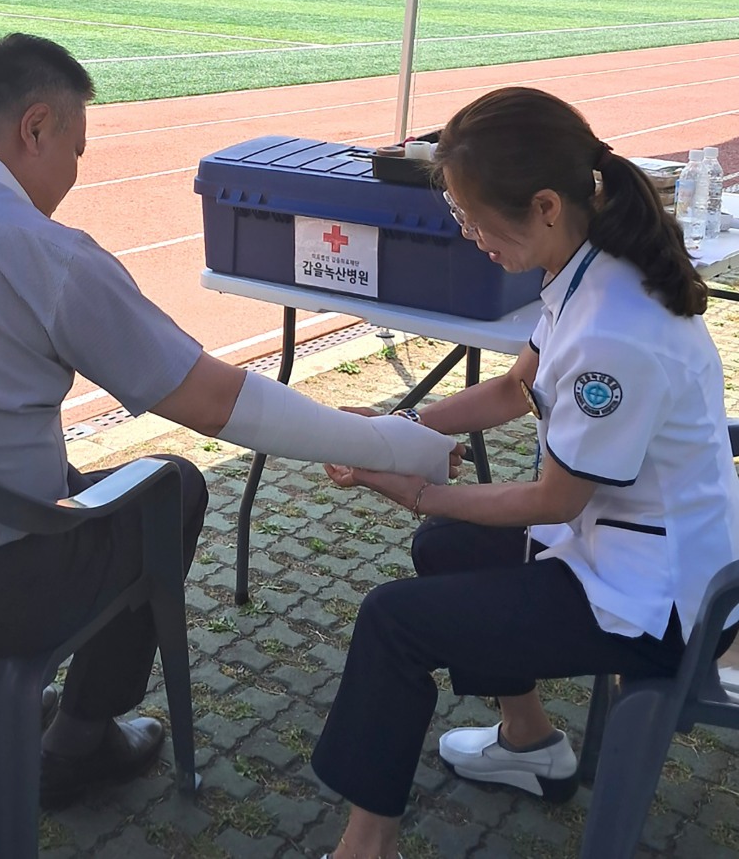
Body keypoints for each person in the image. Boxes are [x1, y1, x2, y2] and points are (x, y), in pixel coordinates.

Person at [0, 32, 458, 810]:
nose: (74, 174)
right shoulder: (42, 252)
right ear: (35, 127)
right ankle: (79, 740)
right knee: (168, 488)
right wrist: (387, 441)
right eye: (75, 149)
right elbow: (214, 401)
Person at [311, 86, 739, 859]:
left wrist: (413, 486)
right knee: (445, 547)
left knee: (393, 621)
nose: (470, 234)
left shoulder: (614, 328)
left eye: (475, 218)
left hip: (663, 603)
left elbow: (552, 498)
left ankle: (364, 848)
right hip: (622, 545)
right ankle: (530, 742)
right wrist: (401, 428)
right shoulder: (588, 266)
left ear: (545, 205)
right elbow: (516, 387)